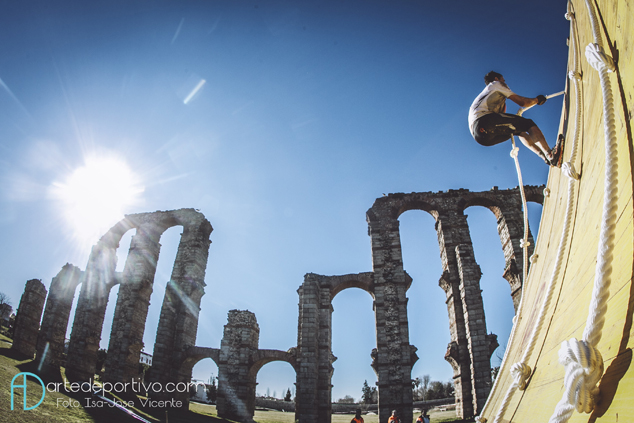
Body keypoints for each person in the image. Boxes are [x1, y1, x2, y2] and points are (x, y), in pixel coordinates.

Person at [468, 71, 563, 167]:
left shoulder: (488, 95)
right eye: (503, 80)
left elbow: (502, 119)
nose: (504, 82)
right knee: (528, 124)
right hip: (483, 121)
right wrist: (537, 100)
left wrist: (516, 119)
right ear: (496, 78)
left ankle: (545, 157)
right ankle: (550, 155)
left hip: (482, 138)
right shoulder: (495, 84)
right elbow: (522, 102)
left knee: (518, 131)